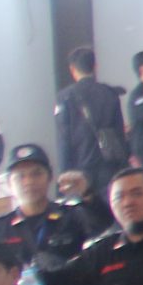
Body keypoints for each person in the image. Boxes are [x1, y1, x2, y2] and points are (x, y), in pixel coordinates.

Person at [0, 143, 92, 279]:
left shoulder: (73, 216)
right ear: (9, 184)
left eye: (36, 174)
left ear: (50, 177)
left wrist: (87, 192)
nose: (29, 182)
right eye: (20, 176)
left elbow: (102, 228)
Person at [54, 46, 127, 192]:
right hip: (109, 164)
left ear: (72, 69)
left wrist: (64, 172)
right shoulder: (109, 93)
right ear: (95, 67)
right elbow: (119, 132)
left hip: (80, 165)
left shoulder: (65, 97)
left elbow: (64, 137)